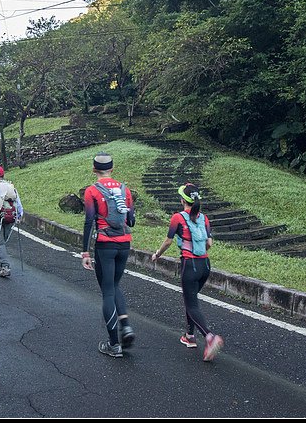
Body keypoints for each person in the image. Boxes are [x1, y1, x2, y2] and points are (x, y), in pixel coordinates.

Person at [151, 182, 224, 362]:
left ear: (182, 200)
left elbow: (168, 242)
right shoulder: (204, 218)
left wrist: (157, 254)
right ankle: (189, 336)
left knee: (191, 304)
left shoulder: (178, 218)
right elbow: (209, 244)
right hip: (205, 266)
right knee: (191, 300)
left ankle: (209, 337)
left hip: (189, 265)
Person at [81, 152, 136, 358]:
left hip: (105, 245)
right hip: (124, 244)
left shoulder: (92, 191)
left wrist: (85, 251)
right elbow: (131, 221)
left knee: (107, 291)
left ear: (94, 169)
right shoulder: (125, 189)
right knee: (114, 285)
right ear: (112, 169)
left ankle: (114, 344)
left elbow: (89, 221)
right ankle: (126, 326)